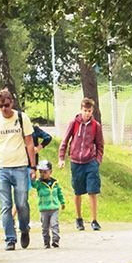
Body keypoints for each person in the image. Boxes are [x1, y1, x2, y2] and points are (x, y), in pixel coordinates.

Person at [0, 88, 36, 250]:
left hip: (20, 167)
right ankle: (10, 239)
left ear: (11, 103)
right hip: (2, 168)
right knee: (5, 206)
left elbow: (29, 142)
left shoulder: (22, 118)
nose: (3, 109)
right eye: (0, 106)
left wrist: (33, 167)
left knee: (21, 203)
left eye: (6, 105)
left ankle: (24, 228)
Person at [64, 96, 104, 231]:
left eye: (89, 110)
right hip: (76, 162)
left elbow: (100, 145)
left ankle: (94, 220)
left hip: (90, 162)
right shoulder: (74, 123)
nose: (87, 113)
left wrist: (97, 161)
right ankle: (79, 218)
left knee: (92, 191)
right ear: (81, 110)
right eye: (85, 110)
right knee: (78, 191)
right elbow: (65, 141)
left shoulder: (95, 126)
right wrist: (61, 158)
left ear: (92, 111)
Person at [35, 159, 65, 248]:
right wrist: (33, 177)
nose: (42, 174)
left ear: (50, 172)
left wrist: (62, 202)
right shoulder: (39, 183)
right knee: (44, 227)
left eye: (45, 172)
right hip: (44, 209)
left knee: (54, 224)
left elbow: (59, 193)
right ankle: (46, 242)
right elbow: (33, 185)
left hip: (54, 208)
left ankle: (55, 240)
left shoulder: (55, 182)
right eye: (41, 172)